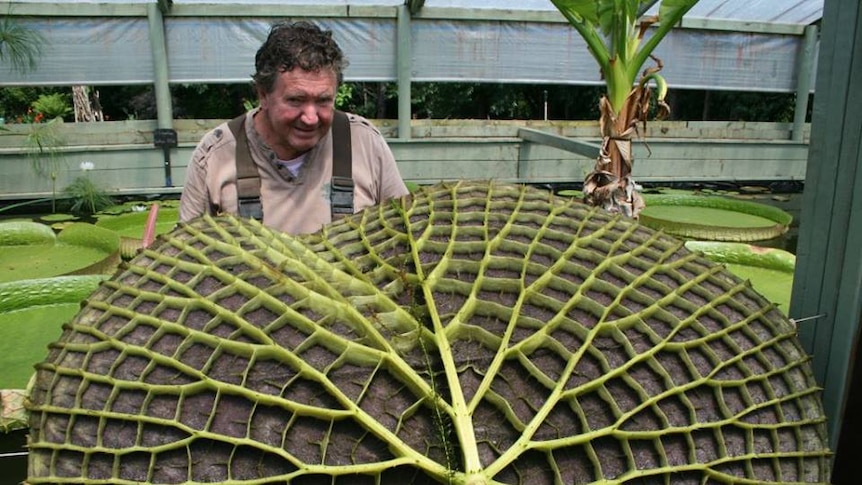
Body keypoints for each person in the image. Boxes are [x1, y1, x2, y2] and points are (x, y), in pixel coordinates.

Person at [179, 20, 409, 235]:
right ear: (263, 94)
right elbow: (185, 259)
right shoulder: (214, 156)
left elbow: (407, 233)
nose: (310, 118)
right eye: (295, 100)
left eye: (323, 101)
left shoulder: (364, 142)